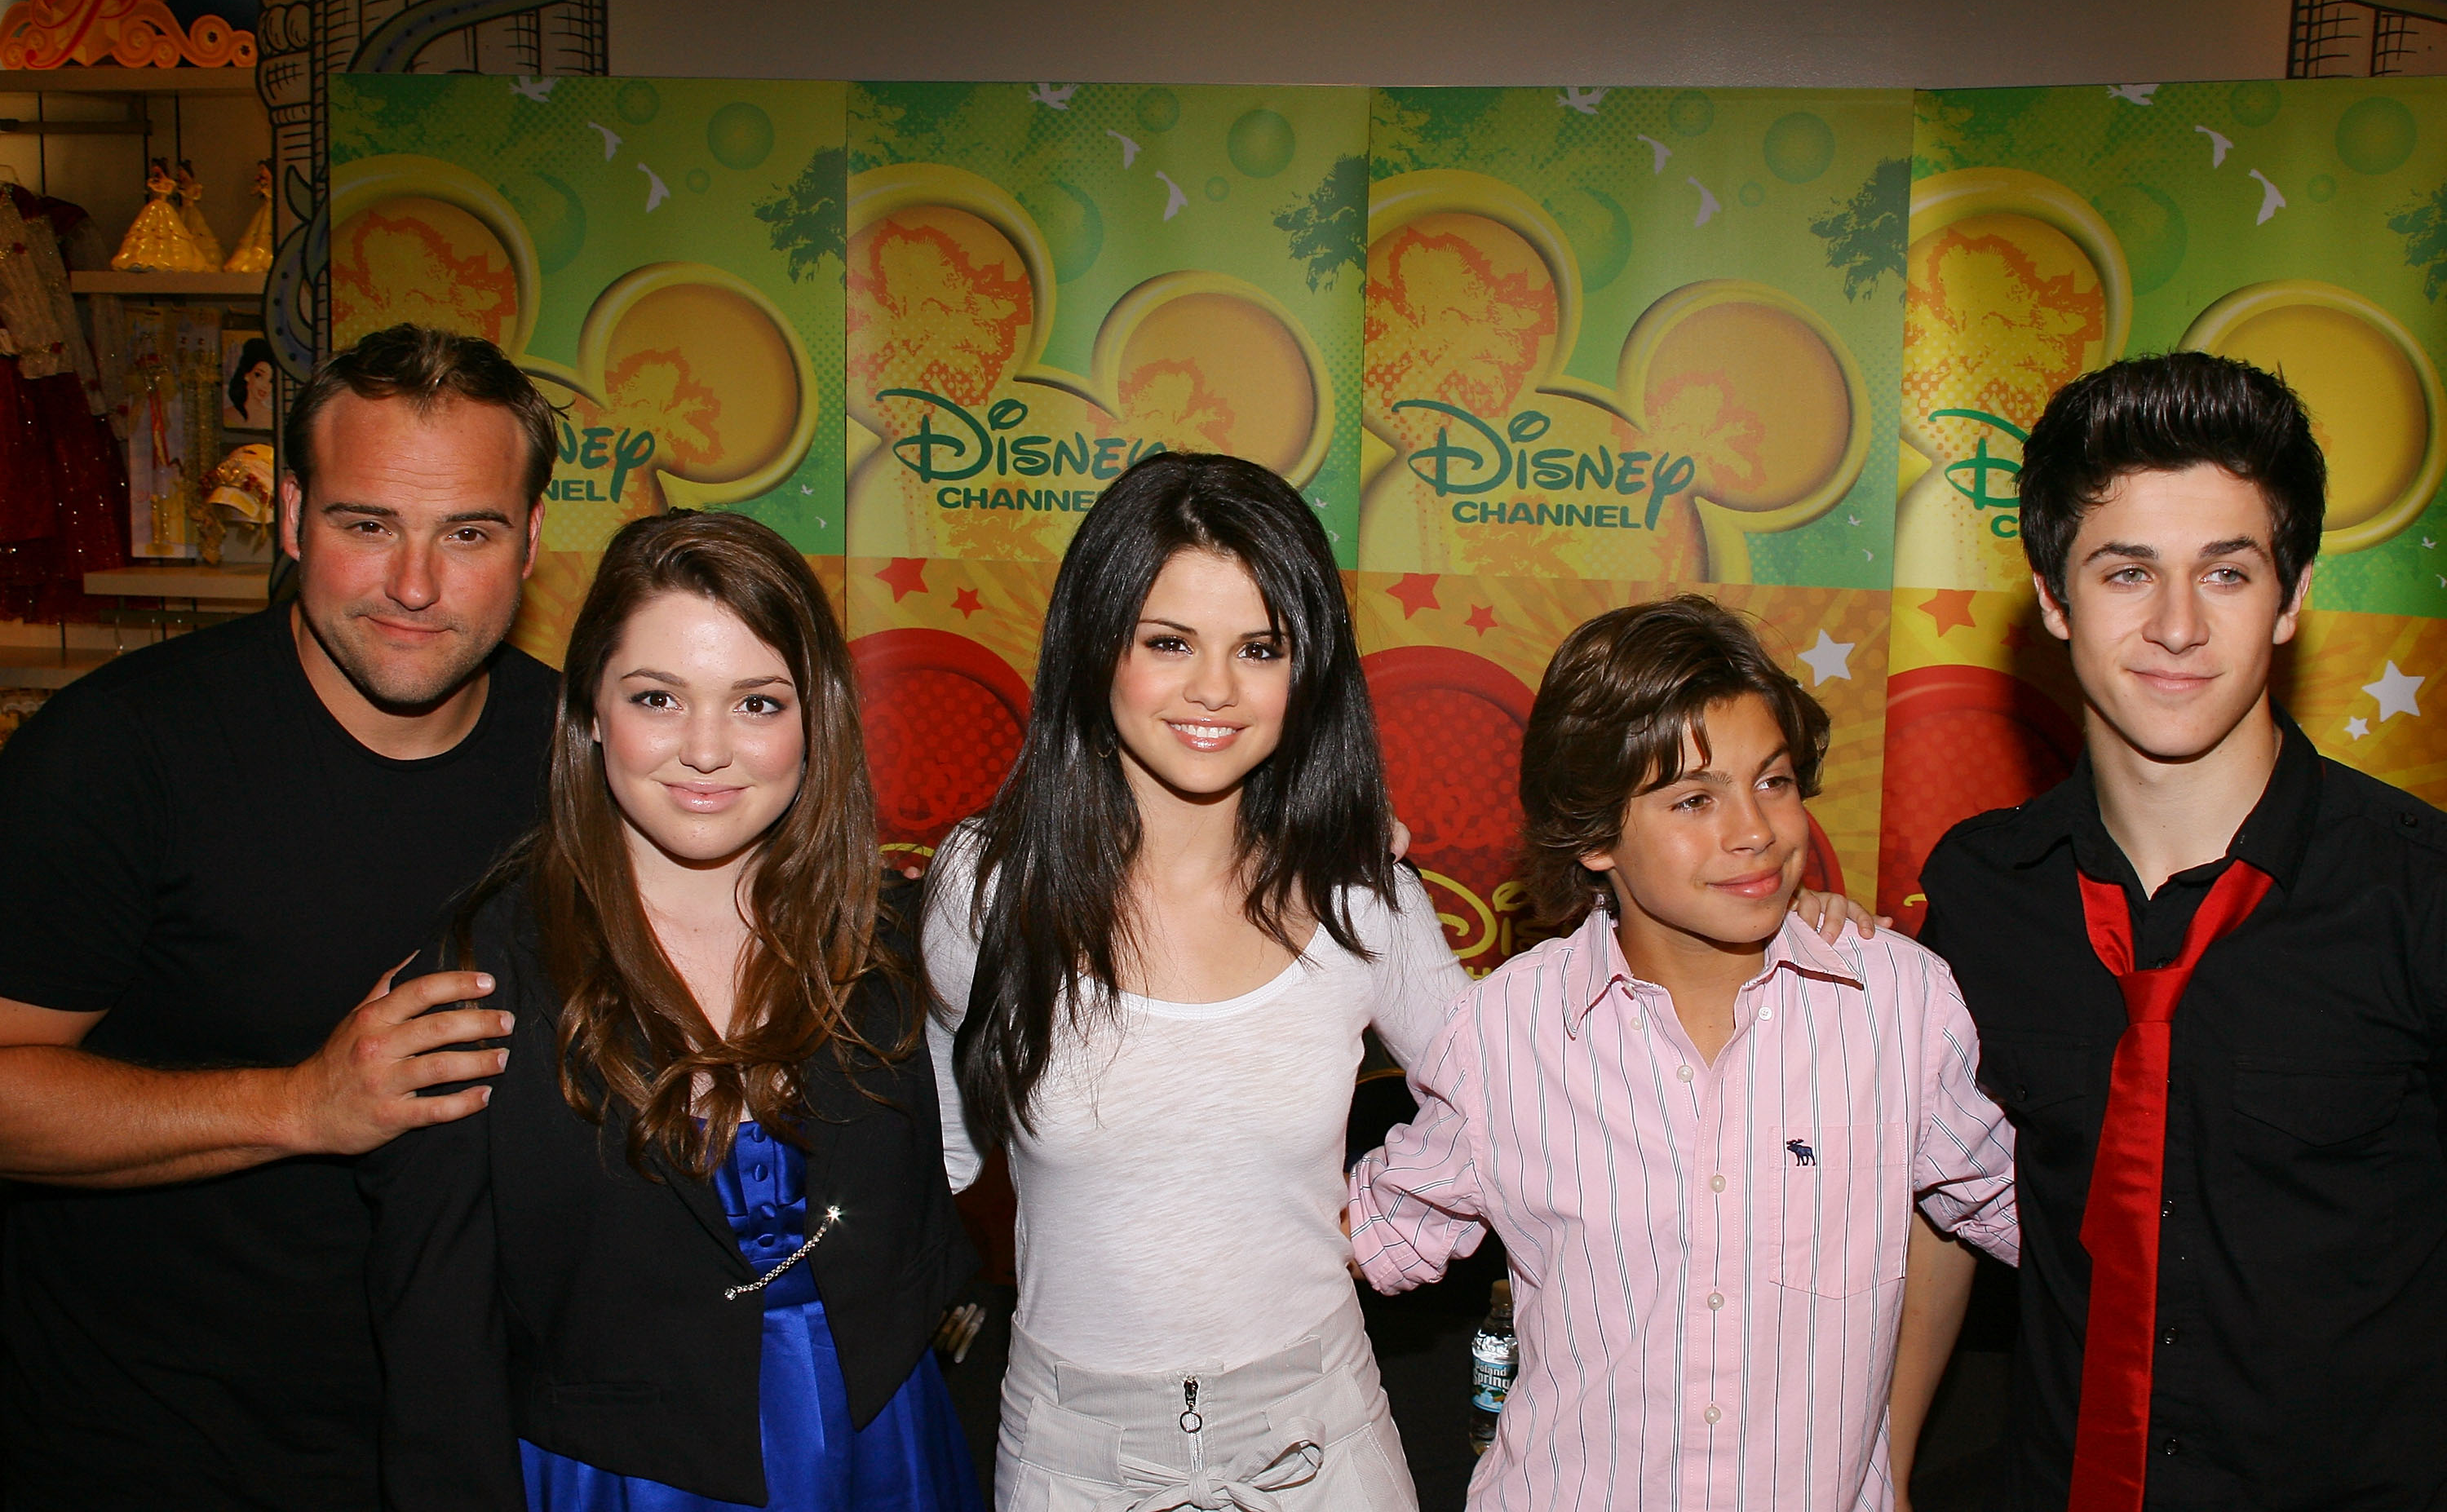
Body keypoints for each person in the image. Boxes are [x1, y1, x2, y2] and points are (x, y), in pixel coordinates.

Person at [0, 324, 560, 1510]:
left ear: (531, 543)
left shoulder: (588, 758)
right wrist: (302, 1104)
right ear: (295, 516)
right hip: (153, 1455)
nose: (415, 584)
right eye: (369, 526)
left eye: (468, 533)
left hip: (482, 1453)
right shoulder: (119, 756)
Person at [364, 511, 981, 1510]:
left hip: (888, 1452)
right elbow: (437, 1350)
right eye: (658, 696)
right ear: (592, 713)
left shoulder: (890, 943)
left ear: (814, 717)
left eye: (755, 702)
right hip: (624, 1481)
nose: (706, 749)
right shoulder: (481, 978)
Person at [1347, 595, 2019, 1511]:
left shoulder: (1897, 1004)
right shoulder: (1509, 1030)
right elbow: (1368, 1235)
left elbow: (2043, 1216)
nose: (1755, 830)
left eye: (1773, 781)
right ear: (1592, 834)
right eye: (1695, 798)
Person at [1919, 351, 2447, 1511]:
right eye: (2125, 573)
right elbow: (1934, 1202)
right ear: (2053, 598)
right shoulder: (1979, 895)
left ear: (2293, 593)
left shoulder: (2419, 892)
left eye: (2226, 571)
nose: (2175, 626)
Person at [925, 452, 1472, 1510]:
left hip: (1319, 1439)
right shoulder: (988, 890)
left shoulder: (1361, 892)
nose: (1214, 689)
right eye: (1168, 642)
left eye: (1258, 647)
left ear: (1305, 669)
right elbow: (932, 1145)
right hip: (1072, 1454)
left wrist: (1403, 1223)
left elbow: (1506, 1090)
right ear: (1097, 648)